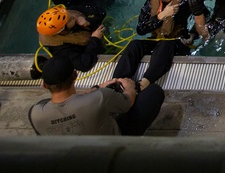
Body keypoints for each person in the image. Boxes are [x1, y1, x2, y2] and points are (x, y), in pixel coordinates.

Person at [28, 57, 165, 136]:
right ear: (76, 75)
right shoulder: (100, 98)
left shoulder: (35, 113)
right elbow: (128, 102)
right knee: (153, 92)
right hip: (110, 152)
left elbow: (64, 102)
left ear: (44, 85)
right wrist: (129, 86)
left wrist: (97, 88)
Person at [112, 0, 196, 90]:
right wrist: (162, 15)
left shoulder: (186, 2)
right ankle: (117, 81)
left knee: (165, 45)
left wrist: (193, 35)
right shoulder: (151, 3)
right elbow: (141, 30)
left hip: (177, 43)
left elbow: (203, 17)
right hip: (156, 40)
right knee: (134, 44)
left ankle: (144, 83)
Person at [36, 5, 106, 72]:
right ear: (62, 31)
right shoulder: (62, 50)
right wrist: (95, 39)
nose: (72, 18)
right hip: (91, 47)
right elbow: (84, 64)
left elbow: (98, 11)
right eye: (69, 21)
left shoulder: (62, 15)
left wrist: (82, 18)